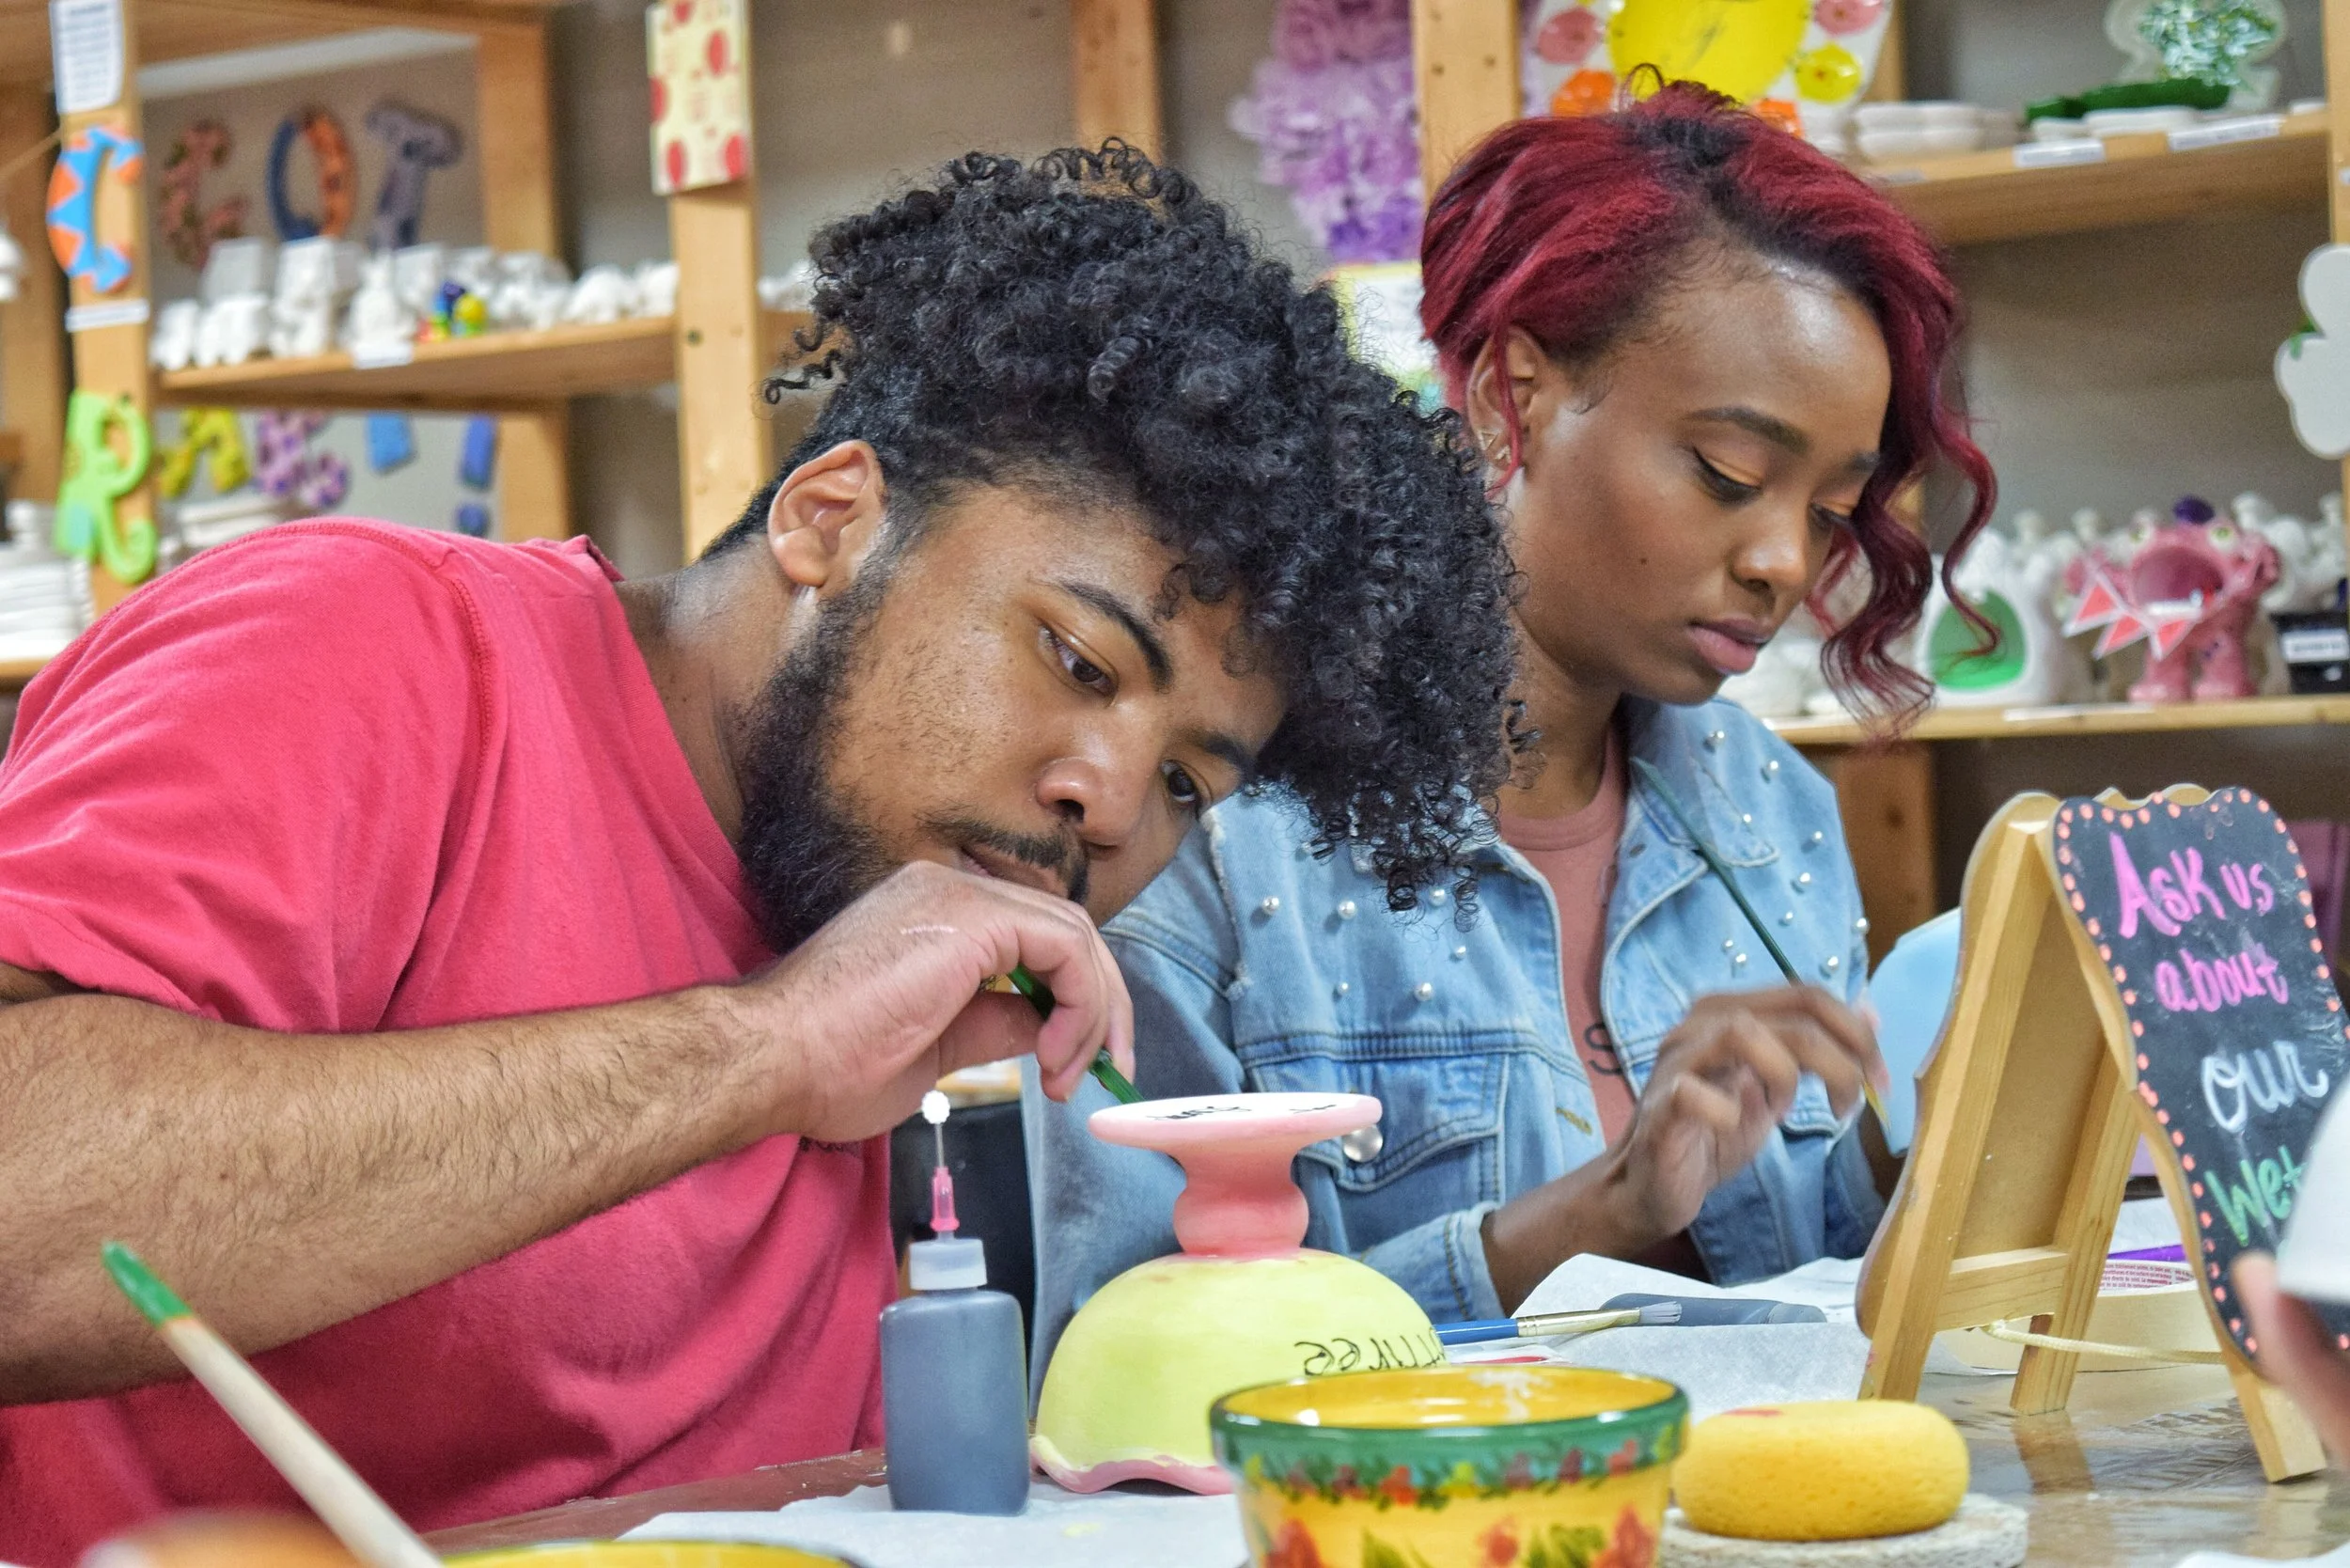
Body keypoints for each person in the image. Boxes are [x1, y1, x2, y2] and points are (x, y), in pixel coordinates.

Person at [0, 145, 1521, 1560]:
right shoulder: (368, 648)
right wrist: (766, 1046)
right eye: (1073, 661)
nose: (1110, 804)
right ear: (831, 516)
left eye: (1191, 782)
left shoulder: (878, 917)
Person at [1027, 86, 1997, 1372]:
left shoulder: (1772, 810)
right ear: (1510, 396)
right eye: (1727, 474)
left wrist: (1938, 1109)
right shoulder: (1219, 818)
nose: (1782, 562)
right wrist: (1597, 1216)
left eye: (1830, 509)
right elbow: (1123, 1365)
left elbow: (1803, 1278)